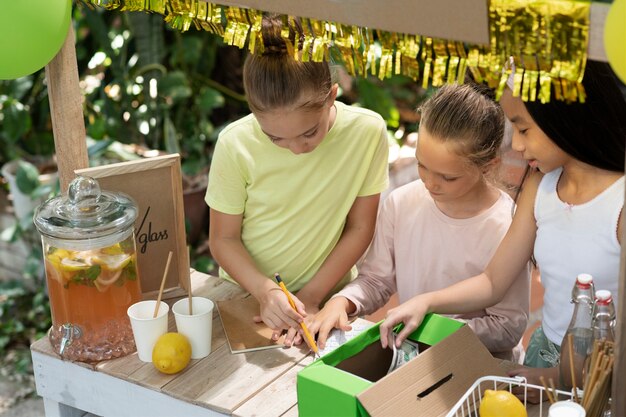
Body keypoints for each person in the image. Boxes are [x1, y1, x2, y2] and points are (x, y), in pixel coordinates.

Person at [378, 61, 626, 401]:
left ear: (567, 120)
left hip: (605, 375)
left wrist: (560, 378)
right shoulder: (541, 185)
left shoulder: (618, 204)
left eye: (523, 130)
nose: (517, 147)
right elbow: (493, 281)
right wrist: (426, 302)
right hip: (547, 356)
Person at [311, 83, 530, 361]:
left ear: (487, 165)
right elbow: (376, 280)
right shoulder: (401, 203)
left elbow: (507, 327)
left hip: (482, 367)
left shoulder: (507, 225)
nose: (429, 183)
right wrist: (342, 301)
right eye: (421, 165)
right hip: (417, 359)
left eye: (447, 177)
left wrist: (428, 328)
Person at [206, 14, 389, 342]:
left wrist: (313, 296)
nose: (295, 148)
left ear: (331, 96)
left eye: (309, 133)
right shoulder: (235, 143)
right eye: (274, 138)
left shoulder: (367, 132)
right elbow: (223, 239)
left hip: (329, 297)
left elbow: (361, 226)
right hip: (246, 296)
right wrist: (265, 292)